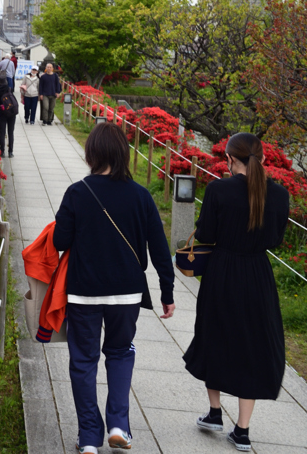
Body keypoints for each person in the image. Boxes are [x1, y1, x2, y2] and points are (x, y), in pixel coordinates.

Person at [53, 123, 175, 453]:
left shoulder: (78, 192)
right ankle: (118, 424)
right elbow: (160, 250)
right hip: (127, 293)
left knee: (83, 361)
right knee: (121, 352)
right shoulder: (141, 196)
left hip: (83, 291)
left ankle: (89, 437)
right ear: (123, 153)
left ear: (91, 153)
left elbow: (60, 240)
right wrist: (167, 292)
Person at [183, 132, 289, 452]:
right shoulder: (280, 194)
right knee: (253, 344)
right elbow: (275, 239)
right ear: (263, 158)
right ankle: (242, 430)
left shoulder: (218, 190)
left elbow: (206, 233)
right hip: (258, 274)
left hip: (222, 270)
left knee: (214, 335)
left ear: (229, 159)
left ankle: (215, 413)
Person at [0, 74, 17, 158]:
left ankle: (2, 151)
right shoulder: (9, 89)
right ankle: (11, 152)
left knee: (2, 132)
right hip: (12, 112)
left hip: (3, 113)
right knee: (10, 132)